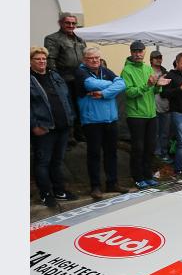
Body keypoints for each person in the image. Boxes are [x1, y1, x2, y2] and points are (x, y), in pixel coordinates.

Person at [74, 47, 128, 199]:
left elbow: (123, 84)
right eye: (91, 58)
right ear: (84, 60)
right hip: (92, 121)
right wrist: (112, 86)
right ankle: (95, 186)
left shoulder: (106, 70)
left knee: (111, 153)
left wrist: (104, 93)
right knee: (94, 154)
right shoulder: (80, 72)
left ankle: (112, 182)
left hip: (110, 119)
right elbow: (90, 85)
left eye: (97, 57)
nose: (95, 60)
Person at [30, 46, 77, 207]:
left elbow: (66, 97)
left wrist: (70, 117)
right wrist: (34, 125)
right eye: (38, 59)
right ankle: (46, 194)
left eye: (44, 58)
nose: (42, 61)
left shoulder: (54, 75)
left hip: (62, 125)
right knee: (43, 162)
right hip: (44, 128)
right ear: (30, 62)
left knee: (57, 161)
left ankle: (59, 190)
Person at [121, 40, 169, 189]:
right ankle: (137, 177)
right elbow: (129, 93)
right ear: (131, 53)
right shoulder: (126, 71)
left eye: (140, 51)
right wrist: (147, 85)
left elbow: (153, 91)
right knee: (138, 148)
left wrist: (158, 86)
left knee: (150, 147)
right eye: (135, 51)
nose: (138, 54)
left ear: (144, 53)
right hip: (135, 115)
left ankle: (148, 175)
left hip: (150, 114)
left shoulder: (149, 68)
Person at [44, 12, 86, 142]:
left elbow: (85, 58)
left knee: (80, 105)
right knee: (67, 107)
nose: (71, 25)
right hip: (63, 78)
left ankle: (80, 133)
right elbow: (50, 60)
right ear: (61, 23)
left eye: (73, 23)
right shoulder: (52, 38)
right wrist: (55, 78)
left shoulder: (80, 39)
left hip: (79, 78)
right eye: (68, 23)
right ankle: (69, 136)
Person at [150, 50, 172, 164]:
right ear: (151, 59)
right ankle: (157, 153)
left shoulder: (166, 72)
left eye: (160, 57)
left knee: (165, 132)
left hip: (165, 106)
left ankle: (164, 153)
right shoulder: (147, 71)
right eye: (156, 57)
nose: (158, 59)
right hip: (152, 106)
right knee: (155, 132)